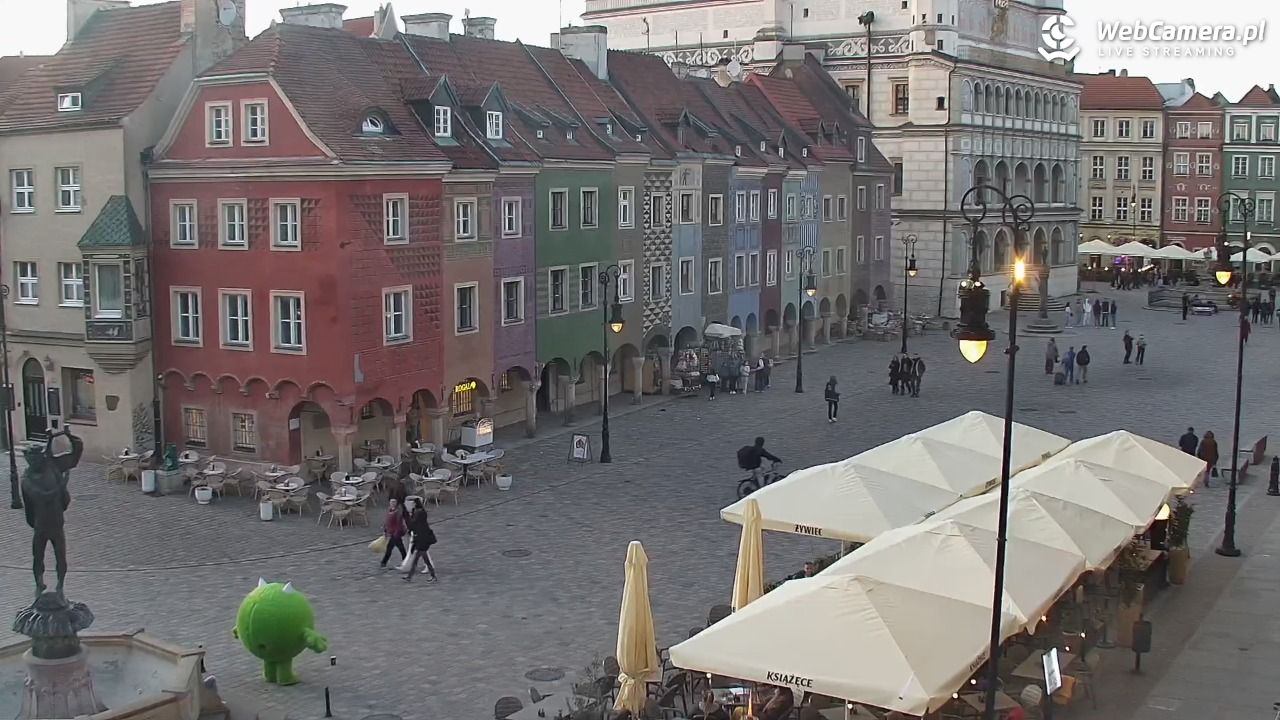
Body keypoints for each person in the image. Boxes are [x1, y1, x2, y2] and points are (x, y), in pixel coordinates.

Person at [403, 498, 437, 582]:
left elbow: (412, 524)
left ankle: (433, 576)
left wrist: (407, 517)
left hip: (421, 538)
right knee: (416, 559)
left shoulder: (418, 513)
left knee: (424, 559)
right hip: (422, 537)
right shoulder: (420, 511)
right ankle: (409, 576)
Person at [379, 497, 409, 569]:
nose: (392, 503)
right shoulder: (389, 510)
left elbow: (399, 523)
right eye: (391, 502)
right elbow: (387, 521)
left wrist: (397, 533)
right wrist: (385, 530)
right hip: (391, 532)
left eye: (394, 502)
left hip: (396, 533)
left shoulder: (398, 512)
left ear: (396, 503)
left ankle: (384, 562)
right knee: (396, 548)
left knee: (394, 548)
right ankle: (405, 561)